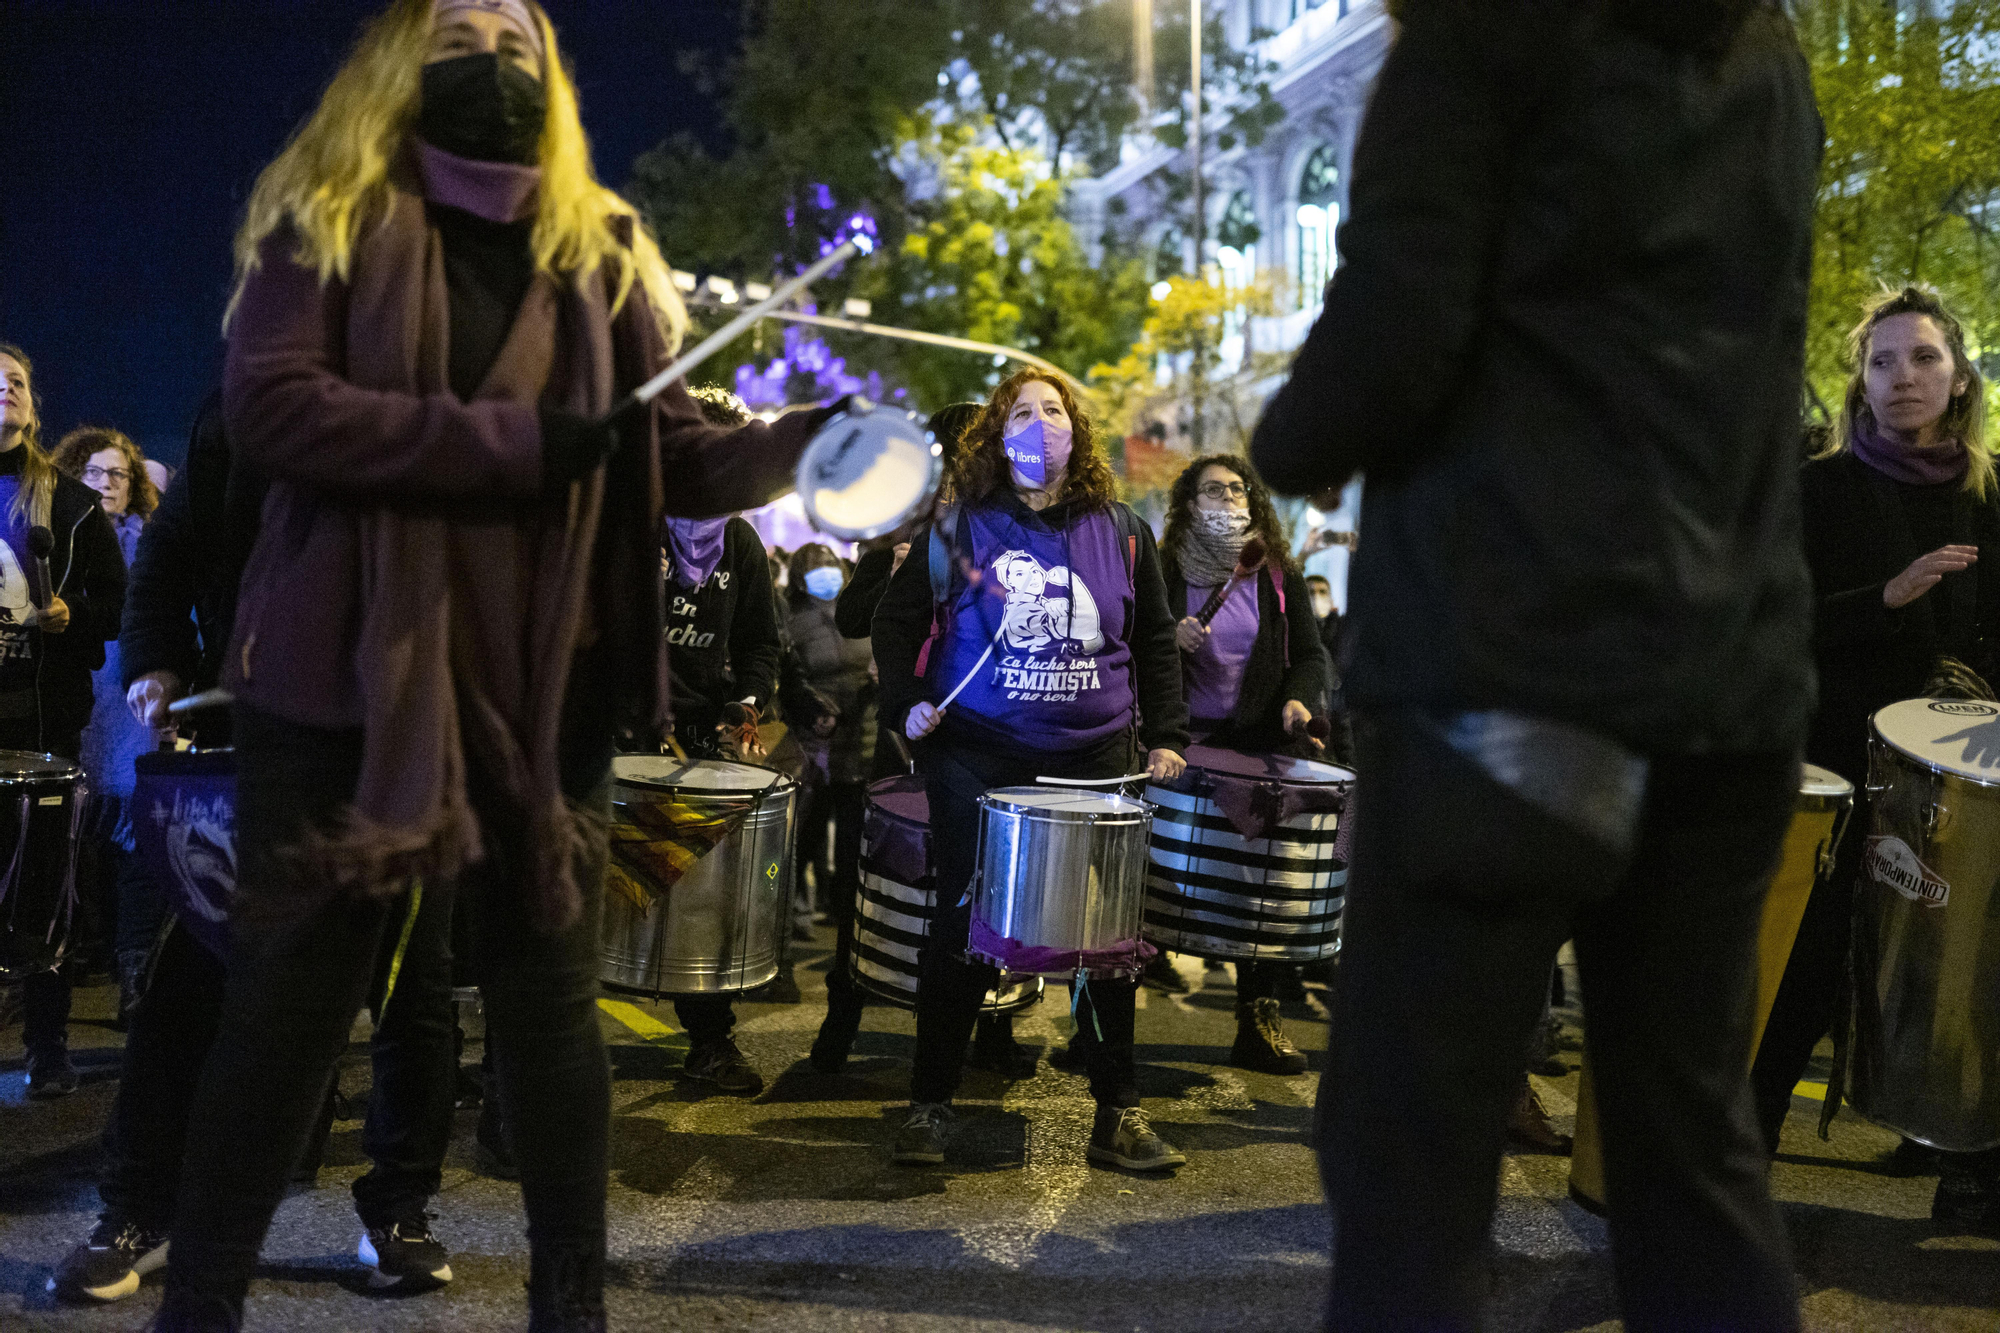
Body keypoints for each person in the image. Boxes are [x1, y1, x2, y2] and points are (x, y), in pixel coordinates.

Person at [148, 3, 838, 1329]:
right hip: (344, 682)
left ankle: (571, 1306)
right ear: (402, 60)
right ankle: (201, 1303)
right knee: (290, 1015)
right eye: (462, 33)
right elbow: (276, 408)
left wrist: (810, 442)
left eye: (520, 40)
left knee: (551, 1015)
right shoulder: (326, 215)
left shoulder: (603, 245)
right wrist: (516, 447)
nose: (496, 57)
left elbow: (664, 450)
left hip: (545, 686)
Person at [1248, 3, 1821, 1329]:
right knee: (1689, 1149)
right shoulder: (1764, 48)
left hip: (1508, 657)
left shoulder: (1483, 30)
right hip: (1729, 671)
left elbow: (1396, 326)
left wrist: (1281, 443)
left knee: (1411, 1149)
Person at [46, 394, 470, 1305]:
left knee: (411, 994)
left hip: (404, 746)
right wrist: (158, 657)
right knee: (189, 984)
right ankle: (138, 1209)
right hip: (260, 735)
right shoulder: (240, 408)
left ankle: (399, 1210)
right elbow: (172, 550)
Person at [872, 368, 1192, 1172]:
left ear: (1076, 430)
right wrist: (907, 703)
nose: (1041, 423)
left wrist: (1167, 734)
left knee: (1105, 936)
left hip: (1095, 760)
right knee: (961, 925)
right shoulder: (957, 528)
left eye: (1054, 410)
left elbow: (1154, 640)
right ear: (996, 432)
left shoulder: (1124, 531)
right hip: (978, 756)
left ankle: (1118, 1110)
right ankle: (931, 1104)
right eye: (1022, 412)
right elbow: (893, 622)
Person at [1754, 285, 2000, 1229]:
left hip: (1965, 775)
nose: (1905, 376)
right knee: (1813, 956)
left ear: (1960, 376)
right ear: (1861, 380)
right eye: (1883, 360)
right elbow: (1769, 624)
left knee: (1961, 963)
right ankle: (1743, 1148)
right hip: (1840, 759)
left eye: (1925, 357)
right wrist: (1885, 600)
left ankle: (1960, 1151)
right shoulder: (1819, 488)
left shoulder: (1990, 495)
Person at [811, 402, 1046, 1078]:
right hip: (904, 735)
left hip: (982, 732)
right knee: (880, 874)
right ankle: (842, 1014)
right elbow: (854, 617)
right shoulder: (904, 528)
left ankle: (994, 1025)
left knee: (994, 880)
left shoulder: (1006, 530)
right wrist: (893, 567)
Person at [1155, 454, 1330, 1075]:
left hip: (1256, 749)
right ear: (1189, 503)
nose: (1228, 499)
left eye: (1237, 489)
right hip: (1180, 745)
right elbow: (1127, 641)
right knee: (1153, 884)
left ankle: (1257, 1022)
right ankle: (1103, 1029)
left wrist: (1297, 700)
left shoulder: (1275, 572)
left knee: (1261, 889)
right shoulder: (1163, 567)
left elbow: (1310, 656)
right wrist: (1167, 638)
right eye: (1213, 490)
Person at [0, 344, 129, 1102]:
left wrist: (71, 613)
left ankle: (47, 1048)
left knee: (43, 889)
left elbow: (117, 606)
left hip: (42, 727)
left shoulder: (72, 506)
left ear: (33, 402)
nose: (5, 388)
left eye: (16, 379)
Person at [654, 383, 788, 1095]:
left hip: (698, 739)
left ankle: (710, 1041)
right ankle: (521, 1060)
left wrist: (746, 702)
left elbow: (762, 642)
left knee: (697, 900)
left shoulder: (739, 542)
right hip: (621, 730)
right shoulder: (634, 523)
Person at [53, 426, 165, 1025]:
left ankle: (134, 971)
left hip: (130, 703)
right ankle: (70, 963)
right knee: (70, 836)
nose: (106, 483)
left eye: (118, 473)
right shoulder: (61, 539)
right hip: (77, 694)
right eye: (93, 472)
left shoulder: (151, 542)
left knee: (134, 832)